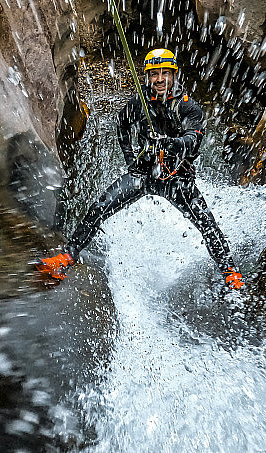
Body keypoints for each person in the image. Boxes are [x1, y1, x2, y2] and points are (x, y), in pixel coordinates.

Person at [34, 48, 243, 290]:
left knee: (206, 222)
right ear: (148, 77)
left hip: (177, 179)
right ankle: (66, 258)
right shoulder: (139, 102)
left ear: (174, 75)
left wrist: (168, 143)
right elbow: (122, 125)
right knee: (100, 207)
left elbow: (193, 142)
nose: (160, 79)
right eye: (154, 74)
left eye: (165, 73)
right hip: (143, 174)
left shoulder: (188, 107)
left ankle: (230, 272)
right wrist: (130, 159)